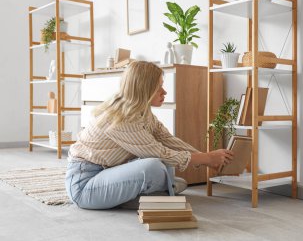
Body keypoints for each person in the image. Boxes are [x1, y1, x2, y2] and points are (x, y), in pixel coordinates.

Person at [65, 61, 234, 210]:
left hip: (108, 172)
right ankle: (157, 193)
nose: (164, 91)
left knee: (168, 172)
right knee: (154, 166)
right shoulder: (121, 119)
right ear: (144, 88)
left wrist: (205, 157)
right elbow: (158, 152)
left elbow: (166, 139)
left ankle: (152, 193)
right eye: (159, 86)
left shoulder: (142, 112)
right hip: (84, 185)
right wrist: (206, 158)